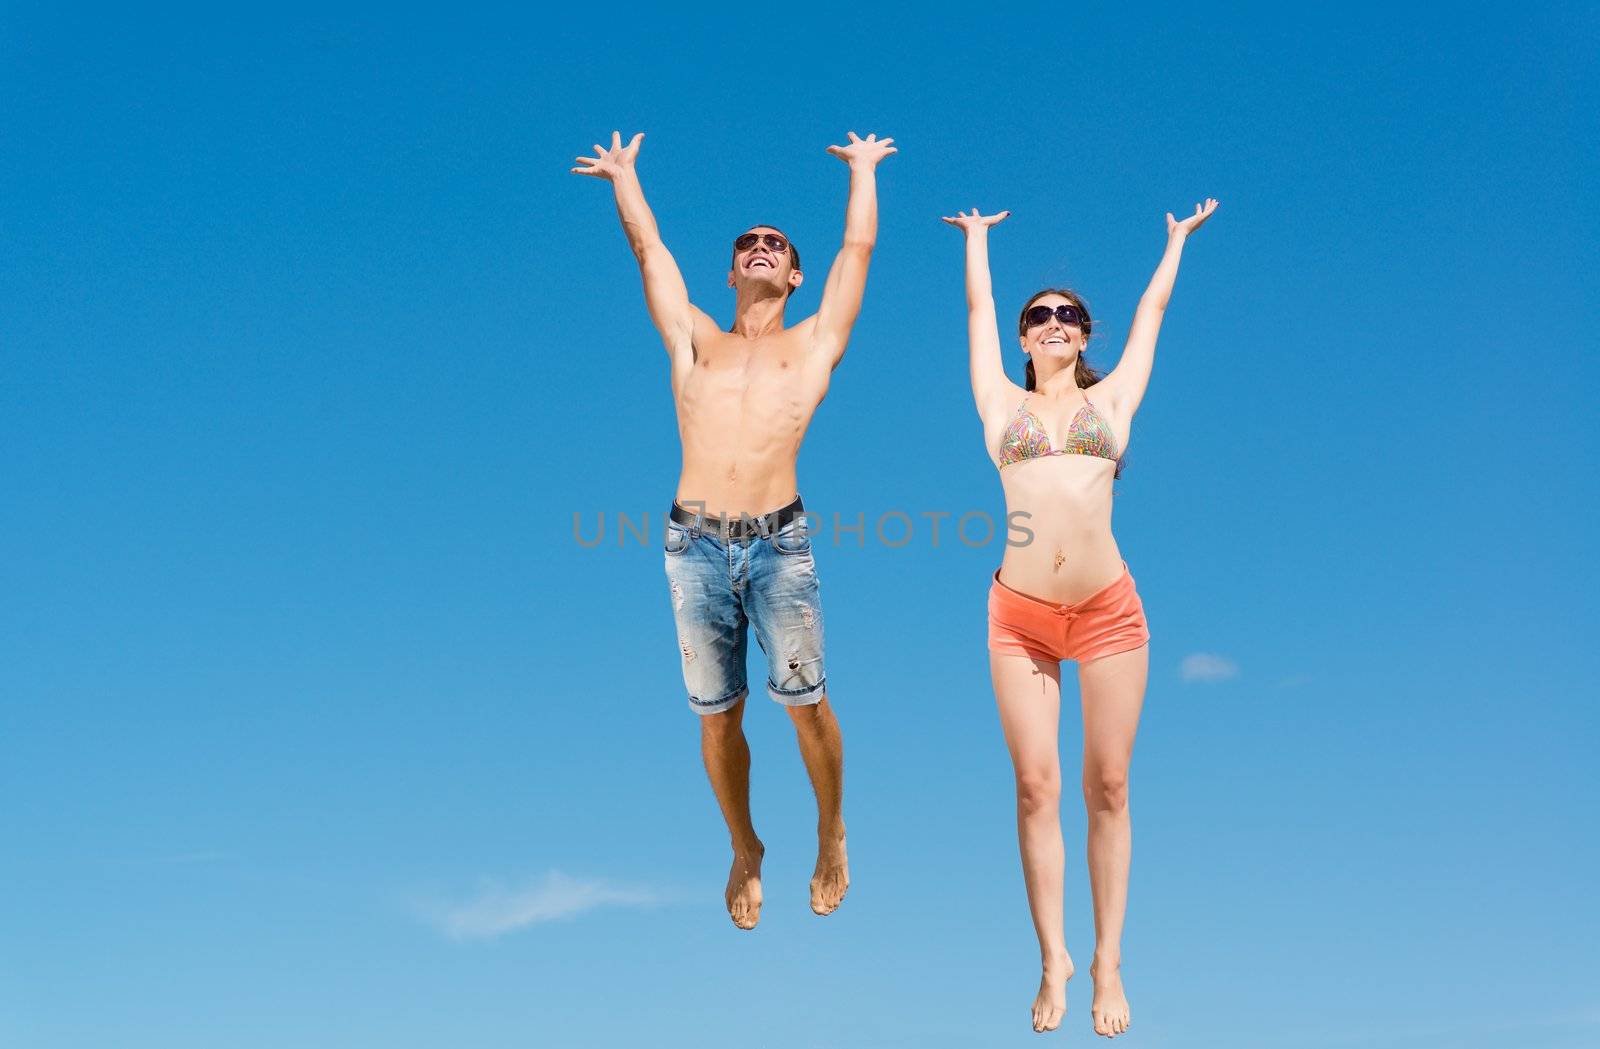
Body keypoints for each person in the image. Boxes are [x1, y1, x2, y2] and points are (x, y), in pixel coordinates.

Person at [573, 130, 895, 930]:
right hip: (694, 547)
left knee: (807, 705)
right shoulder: (695, 342)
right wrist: (625, 176)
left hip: (780, 545)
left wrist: (860, 171)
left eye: (775, 244)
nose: (759, 247)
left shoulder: (814, 343)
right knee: (717, 716)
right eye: (745, 242)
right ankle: (744, 844)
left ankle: (830, 830)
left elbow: (857, 247)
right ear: (730, 271)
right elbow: (648, 249)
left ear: (792, 275)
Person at [942, 198, 1218, 1035]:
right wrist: (981, 243)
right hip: (1019, 616)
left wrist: (1172, 242)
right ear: (1024, 338)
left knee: (1107, 784)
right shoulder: (998, 404)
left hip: (1106, 612)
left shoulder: (1115, 402)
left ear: (1085, 334)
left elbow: (1155, 310)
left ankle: (1108, 959)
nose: (1053, 322)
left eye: (1068, 315)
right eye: (1040, 316)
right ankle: (1053, 956)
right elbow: (976, 308)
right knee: (1035, 787)